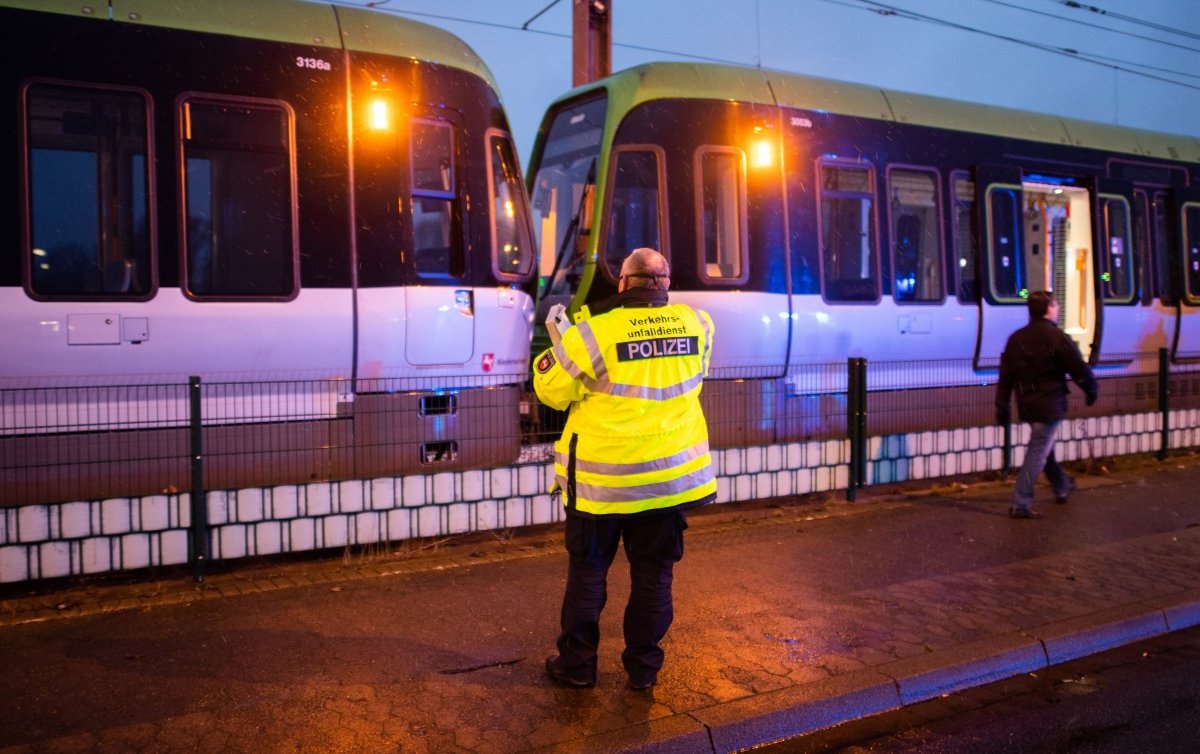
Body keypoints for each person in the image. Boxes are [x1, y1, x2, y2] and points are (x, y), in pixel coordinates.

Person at [532, 247, 716, 691]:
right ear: (665, 283)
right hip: (668, 482)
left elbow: (551, 393)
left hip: (603, 485)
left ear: (622, 284)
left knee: (589, 576)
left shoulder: (592, 334)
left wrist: (559, 346)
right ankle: (644, 670)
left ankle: (577, 667)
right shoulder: (699, 324)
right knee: (654, 578)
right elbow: (693, 375)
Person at [995, 291, 1098, 519]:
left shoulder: (1016, 338)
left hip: (1028, 405)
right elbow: (1078, 368)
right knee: (1038, 453)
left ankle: (1061, 485)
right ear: (1048, 308)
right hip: (1050, 404)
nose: (1058, 308)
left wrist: (1001, 406)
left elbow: (1006, 377)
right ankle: (1021, 502)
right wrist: (1091, 390)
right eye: (1055, 304)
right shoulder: (1057, 337)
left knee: (1043, 447)